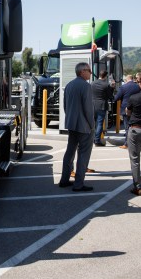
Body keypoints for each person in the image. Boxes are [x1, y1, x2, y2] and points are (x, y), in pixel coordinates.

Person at [59, 62, 95, 192]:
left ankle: (64, 179)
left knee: (70, 152)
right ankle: (78, 184)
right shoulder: (86, 86)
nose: (90, 73)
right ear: (82, 71)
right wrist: (92, 125)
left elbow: (65, 106)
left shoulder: (69, 85)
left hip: (71, 124)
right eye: (89, 71)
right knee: (83, 155)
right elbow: (88, 109)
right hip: (84, 126)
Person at [113, 74, 141, 149]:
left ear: (126, 80)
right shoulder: (138, 86)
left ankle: (127, 143)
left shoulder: (123, 87)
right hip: (136, 109)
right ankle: (136, 143)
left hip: (126, 109)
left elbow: (116, 98)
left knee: (127, 127)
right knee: (135, 127)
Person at [91, 70, 114, 146]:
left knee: (93, 123)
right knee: (100, 123)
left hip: (93, 104)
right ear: (105, 76)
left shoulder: (92, 83)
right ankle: (97, 140)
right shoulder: (106, 85)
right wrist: (112, 88)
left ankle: (92, 139)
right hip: (102, 105)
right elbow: (110, 96)